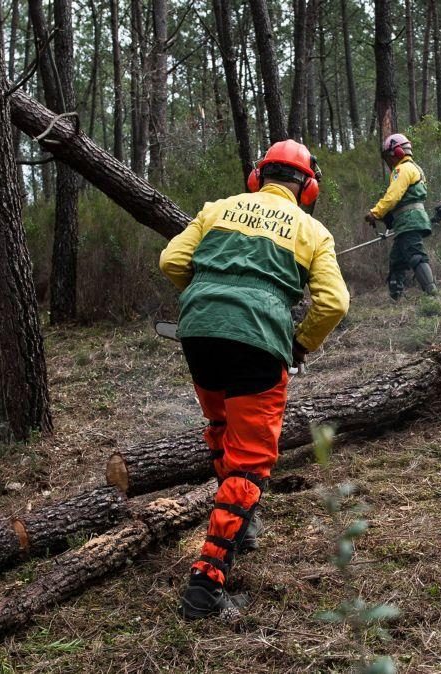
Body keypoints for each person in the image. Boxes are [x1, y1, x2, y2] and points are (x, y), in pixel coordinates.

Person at [159, 140, 350, 620]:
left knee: (223, 429)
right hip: (259, 344)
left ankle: (239, 523)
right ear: (308, 186)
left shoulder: (217, 209)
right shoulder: (311, 230)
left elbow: (171, 262)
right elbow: (333, 304)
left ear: (257, 175)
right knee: (249, 463)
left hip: (199, 334)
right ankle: (206, 584)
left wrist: (210, 296)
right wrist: (299, 344)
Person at [365, 133, 438, 299]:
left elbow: (393, 196)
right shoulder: (416, 168)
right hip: (409, 220)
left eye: (388, 156)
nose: (389, 161)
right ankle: (396, 297)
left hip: (409, 220)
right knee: (397, 259)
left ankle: (432, 295)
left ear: (396, 152)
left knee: (415, 254)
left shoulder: (402, 169)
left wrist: (375, 213)